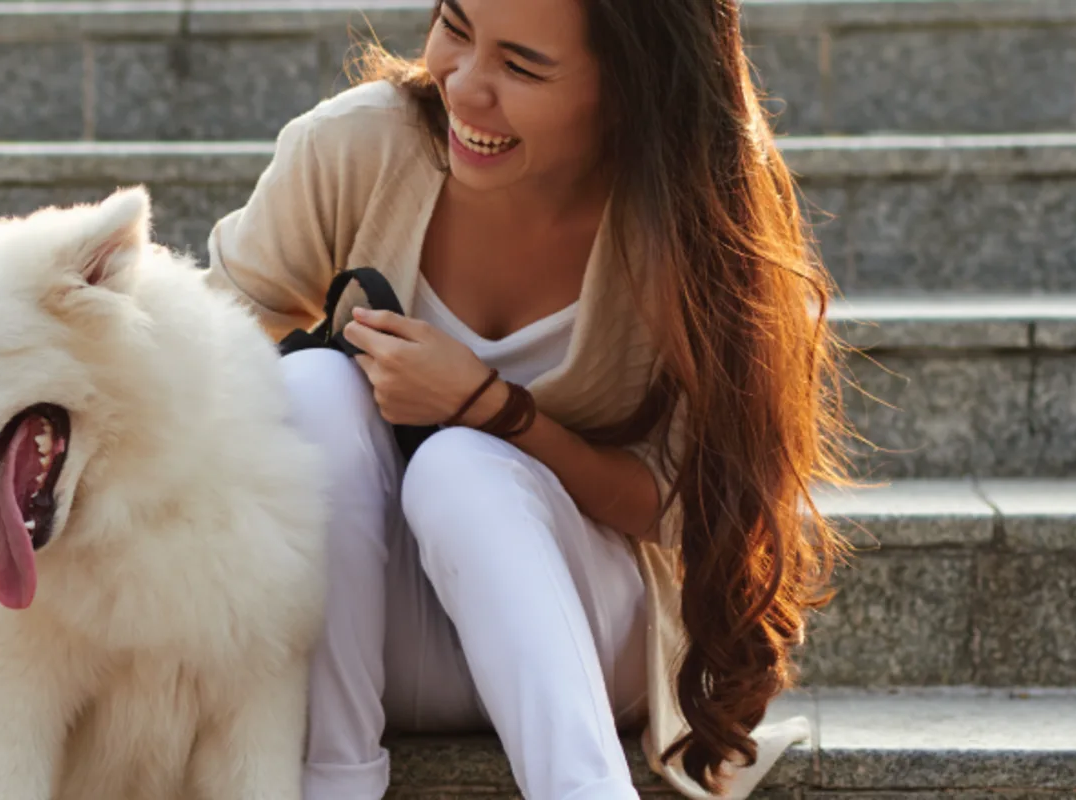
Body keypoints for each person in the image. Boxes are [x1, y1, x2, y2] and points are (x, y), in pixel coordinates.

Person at [204, 0, 851, 797]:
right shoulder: (354, 149)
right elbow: (196, 365)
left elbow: (689, 508)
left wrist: (494, 410)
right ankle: (335, 775)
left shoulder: (690, 221)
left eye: (521, 66)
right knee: (306, 383)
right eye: (455, 25)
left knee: (460, 469)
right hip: (359, 639)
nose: (465, 86)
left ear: (628, 87)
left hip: (581, 636)